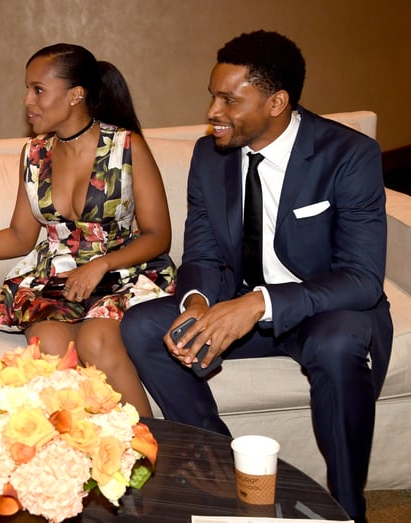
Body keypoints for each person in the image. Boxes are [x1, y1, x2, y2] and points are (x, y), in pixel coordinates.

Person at [121, 30, 391, 523]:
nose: (213, 112)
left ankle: (348, 504)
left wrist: (258, 304)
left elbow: (362, 279)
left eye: (228, 99)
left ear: (276, 102)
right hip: (236, 301)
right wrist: (198, 303)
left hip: (325, 310)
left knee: (337, 344)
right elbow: (201, 249)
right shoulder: (209, 156)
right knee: (141, 325)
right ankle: (223, 472)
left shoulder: (348, 154)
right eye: (212, 95)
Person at [0, 43, 175, 418]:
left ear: (76, 95)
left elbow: (158, 234)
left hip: (120, 273)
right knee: (49, 347)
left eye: (38, 89)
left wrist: (101, 265)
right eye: (27, 89)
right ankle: (90, 460)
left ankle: (153, 451)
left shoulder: (127, 147)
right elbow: (20, 236)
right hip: (57, 280)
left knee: (97, 342)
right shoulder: (34, 154)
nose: (27, 100)